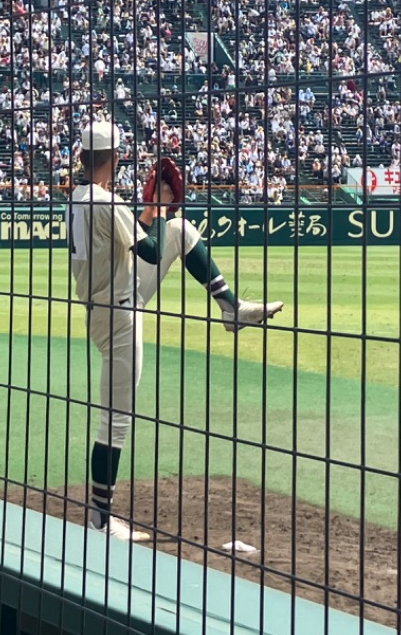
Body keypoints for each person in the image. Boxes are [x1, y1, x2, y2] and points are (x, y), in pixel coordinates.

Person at [68, 120, 283, 542]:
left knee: (181, 231)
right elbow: (148, 247)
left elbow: (143, 241)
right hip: (119, 313)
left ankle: (231, 308)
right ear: (113, 159)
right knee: (114, 421)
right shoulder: (105, 201)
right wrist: (158, 211)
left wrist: (153, 215)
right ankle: (99, 519)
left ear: (82, 157)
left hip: (114, 297)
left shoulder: (77, 198)